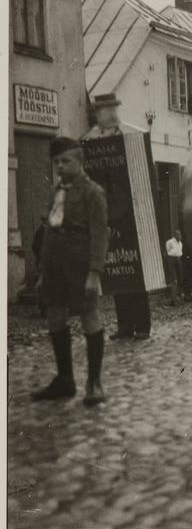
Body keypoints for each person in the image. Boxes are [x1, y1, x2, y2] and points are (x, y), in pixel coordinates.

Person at [32, 137, 110, 406]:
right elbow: (50, 233)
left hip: (80, 264)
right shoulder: (56, 192)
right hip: (55, 265)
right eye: (56, 162)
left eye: (66, 161)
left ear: (80, 161)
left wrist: (94, 272)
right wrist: (43, 272)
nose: (60, 166)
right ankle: (65, 380)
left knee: (89, 315)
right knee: (54, 315)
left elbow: (100, 234)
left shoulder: (92, 192)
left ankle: (94, 382)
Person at [85, 93, 153, 341]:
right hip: (106, 217)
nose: (109, 114)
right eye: (104, 110)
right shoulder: (91, 142)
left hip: (130, 216)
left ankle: (142, 326)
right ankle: (125, 325)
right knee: (116, 275)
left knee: (135, 276)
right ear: (97, 113)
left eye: (112, 108)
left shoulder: (129, 136)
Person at [165, 230, 184, 305]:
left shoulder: (180, 243)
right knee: (174, 280)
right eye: (178, 235)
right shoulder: (170, 242)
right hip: (171, 260)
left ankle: (179, 298)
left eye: (180, 235)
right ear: (175, 235)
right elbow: (167, 251)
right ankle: (173, 300)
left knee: (180, 278)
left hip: (178, 260)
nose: (180, 236)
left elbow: (179, 252)